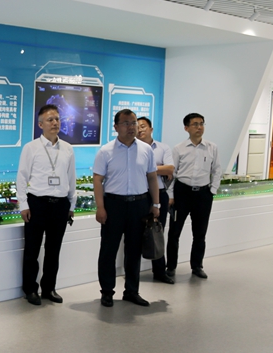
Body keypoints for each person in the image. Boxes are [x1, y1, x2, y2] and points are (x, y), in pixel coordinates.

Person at [93, 109, 160, 307]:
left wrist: (156, 204)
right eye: (126, 123)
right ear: (116, 127)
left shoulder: (146, 150)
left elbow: (152, 177)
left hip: (139, 205)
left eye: (134, 123)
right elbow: (98, 180)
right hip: (114, 205)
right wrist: (100, 207)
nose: (131, 127)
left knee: (134, 250)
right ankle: (107, 291)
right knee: (109, 250)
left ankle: (132, 291)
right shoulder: (106, 151)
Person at [16, 104, 76, 305]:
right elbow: (22, 178)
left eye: (57, 119)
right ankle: (30, 289)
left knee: (53, 250)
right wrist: (23, 205)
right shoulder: (31, 148)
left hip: (60, 205)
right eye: (50, 120)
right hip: (37, 204)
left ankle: (49, 288)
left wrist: (71, 206)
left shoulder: (67, 149)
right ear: (40, 124)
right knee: (32, 250)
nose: (55, 123)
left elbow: (71, 178)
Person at [166, 113, 222, 279]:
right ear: (186, 128)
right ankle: (171, 267)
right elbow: (172, 174)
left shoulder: (212, 147)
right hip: (182, 193)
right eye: (195, 124)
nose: (199, 127)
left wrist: (212, 190)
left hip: (203, 195)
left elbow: (217, 170)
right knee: (174, 233)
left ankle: (197, 266)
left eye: (201, 124)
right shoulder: (179, 148)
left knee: (200, 233)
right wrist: (170, 195)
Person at [136, 117, 175, 284]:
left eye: (143, 126)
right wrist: (159, 169)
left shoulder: (163, 148)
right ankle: (132, 273)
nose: (140, 130)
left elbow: (170, 169)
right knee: (135, 233)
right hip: (139, 194)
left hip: (159, 193)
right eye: (137, 127)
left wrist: (149, 169)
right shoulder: (132, 148)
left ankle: (159, 271)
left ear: (151, 129)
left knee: (157, 232)